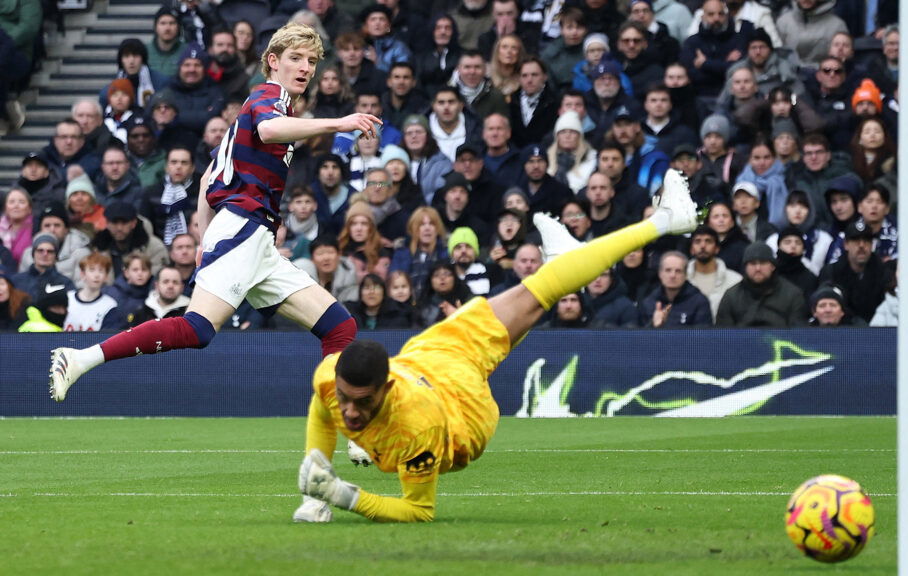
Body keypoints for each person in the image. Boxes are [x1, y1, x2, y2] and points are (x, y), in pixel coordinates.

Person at [292, 168, 699, 523]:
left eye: (362, 403)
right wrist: (315, 490)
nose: (348, 410)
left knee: (533, 294)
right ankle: (565, 264)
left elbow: (418, 510)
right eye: (346, 398)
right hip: (440, 387)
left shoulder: (418, 426)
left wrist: (343, 496)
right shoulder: (333, 380)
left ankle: (663, 222)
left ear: (386, 389)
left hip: (462, 404)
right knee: (532, 297)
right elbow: (323, 408)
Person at [48, 23, 383, 403]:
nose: (305, 67)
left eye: (311, 61)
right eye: (295, 58)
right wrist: (340, 122)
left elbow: (208, 177)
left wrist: (203, 236)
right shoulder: (266, 97)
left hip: (254, 239)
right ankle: (80, 357)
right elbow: (272, 130)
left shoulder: (254, 112)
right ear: (273, 62)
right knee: (197, 329)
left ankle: (337, 425)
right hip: (244, 226)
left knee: (340, 327)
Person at [715, 241, 808, 327]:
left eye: (763, 263)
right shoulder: (731, 296)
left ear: (772, 266)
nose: (758, 268)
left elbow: (799, 334)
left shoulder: (792, 295)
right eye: (752, 263)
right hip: (742, 343)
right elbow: (723, 336)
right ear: (745, 267)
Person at [818, 220, 893, 324]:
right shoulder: (830, 272)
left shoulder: (884, 274)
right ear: (846, 245)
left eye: (866, 240)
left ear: (872, 245)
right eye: (855, 240)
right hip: (841, 332)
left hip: (877, 332)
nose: (861, 245)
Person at [638, 250, 712, 328]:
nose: (673, 275)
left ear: (686, 275)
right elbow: (640, 338)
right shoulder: (649, 303)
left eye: (678, 271)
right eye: (668, 270)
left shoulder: (700, 302)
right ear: (660, 274)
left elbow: (703, 338)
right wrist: (654, 326)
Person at [686, 224, 741, 322]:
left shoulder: (735, 280)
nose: (703, 246)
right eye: (697, 241)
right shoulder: (681, 279)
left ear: (717, 249)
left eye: (708, 241)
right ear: (691, 249)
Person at [126, 266, 191, 326]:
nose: (170, 286)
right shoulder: (141, 312)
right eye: (165, 282)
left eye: (175, 282)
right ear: (156, 286)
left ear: (182, 287)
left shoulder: (190, 312)